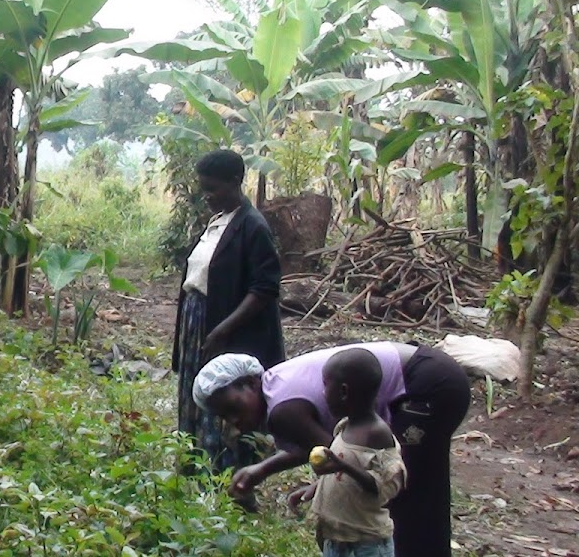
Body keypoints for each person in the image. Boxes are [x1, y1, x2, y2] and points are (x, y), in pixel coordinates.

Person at [193, 343, 471, 556]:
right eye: (224, 417)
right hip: (432, 371)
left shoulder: (282, 410)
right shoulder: (276, 388)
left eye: (233, 408)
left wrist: (324, 482)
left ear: (252, 383)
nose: (234, 421)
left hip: (426, 384)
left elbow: (337, 456)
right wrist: (261, 470)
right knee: (417, 492)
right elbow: (328, 449)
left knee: (401, 494)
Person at [172, 149, 283, 476]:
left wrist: (222, 330)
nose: (206, 196)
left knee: (223, 401)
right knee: (197, 392)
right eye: (203, 188)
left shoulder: (253, 226)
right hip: (199, 321)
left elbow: (265, 289)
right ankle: (193, 466)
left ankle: (226, 475)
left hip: (228, 329)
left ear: (235, 182)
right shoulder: (217, 222)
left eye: (213, 189)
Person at [289, 349, 407, 557]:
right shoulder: (345, 427)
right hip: (338, 538)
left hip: (367, 543)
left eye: (326, 386)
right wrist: (317, 488)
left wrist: (343, 466)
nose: (323, 393)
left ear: (344, 392)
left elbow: (385, 486)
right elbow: (346, 474)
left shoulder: (376, 433)